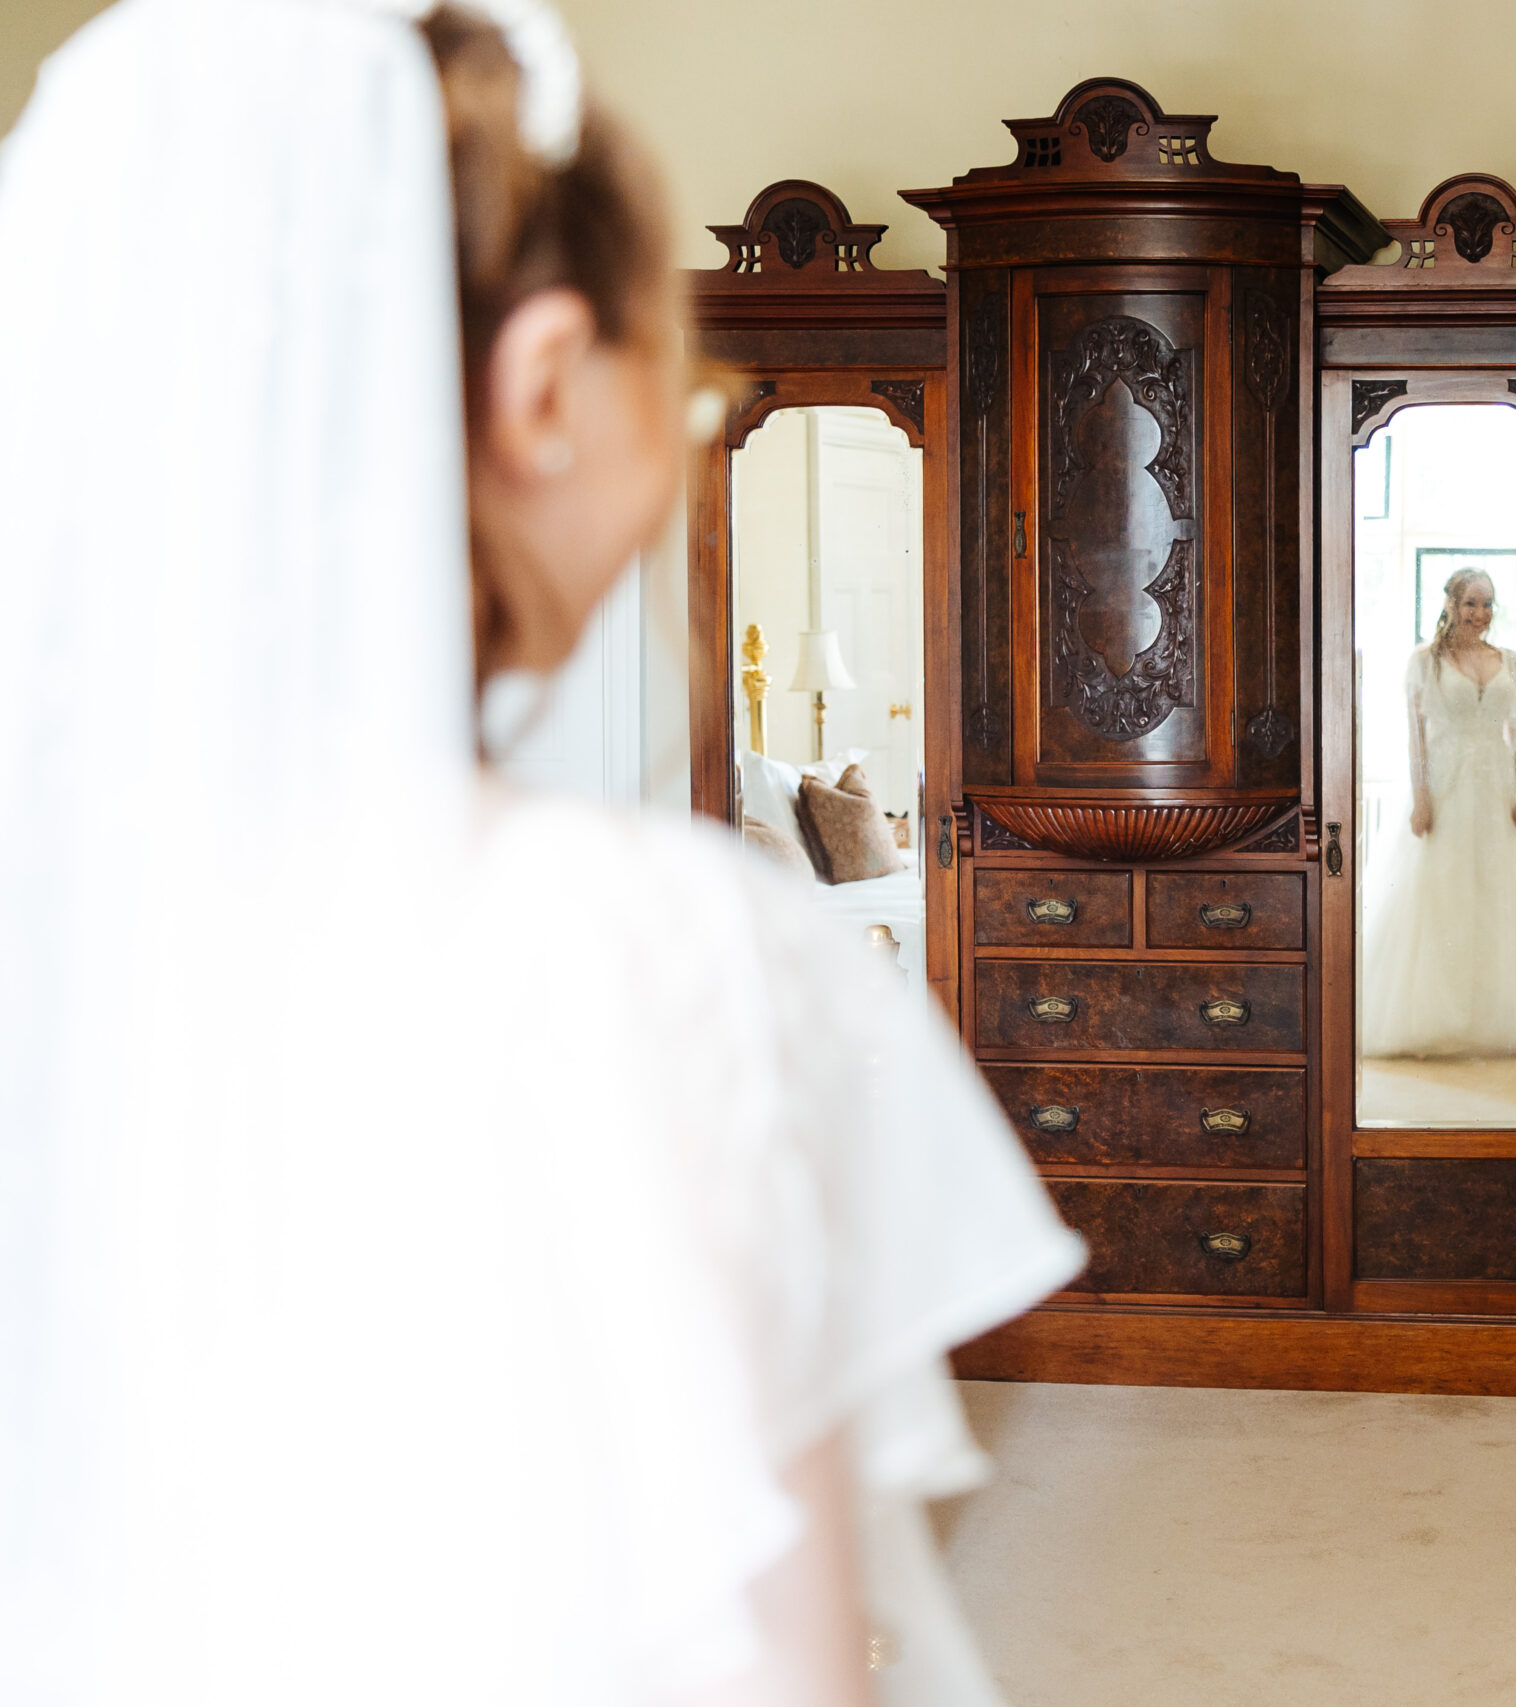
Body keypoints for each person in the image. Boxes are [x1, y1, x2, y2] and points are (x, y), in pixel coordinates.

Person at [0, 4, 1082, 1705]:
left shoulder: (68, 942)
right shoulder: (653, 950)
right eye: (694, 374)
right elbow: (782, 1653)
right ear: (541, 392)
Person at [1359, 569, 1516, 1059]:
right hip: (1445, 789)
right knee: (1443, 893)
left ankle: (1494, 1016)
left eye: (1488, 604)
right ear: (1450, 603)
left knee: (1495, 893)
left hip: (1494, 792)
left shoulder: (1510, 662)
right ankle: (1435, 1017)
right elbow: (1415, 736)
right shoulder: (1425, 662)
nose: (1480, 614)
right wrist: (1421, 796)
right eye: (1471, 603)